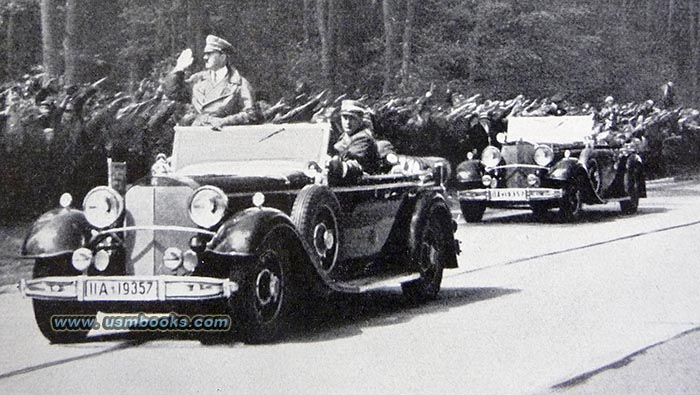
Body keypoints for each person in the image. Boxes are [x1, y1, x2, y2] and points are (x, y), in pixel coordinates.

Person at [164, 34, 256, 129]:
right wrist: (179, 68)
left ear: (223, 57)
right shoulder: (197, 79)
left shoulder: (239, 84)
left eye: (210, 53)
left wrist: (224, 121)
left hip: (222, 136)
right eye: (205, 54)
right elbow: (173, 93)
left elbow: (250, 115)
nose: (205, 57)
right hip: (196, 134)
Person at [328, 100, 379, 181]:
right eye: (345, 117)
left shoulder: (363, 137)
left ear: (360, 120)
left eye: (352, 118)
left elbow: (352, 157)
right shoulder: (345, 136)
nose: (347, 122)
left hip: (361, 183)